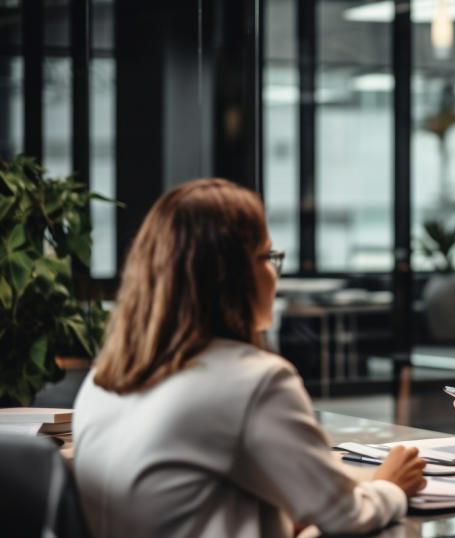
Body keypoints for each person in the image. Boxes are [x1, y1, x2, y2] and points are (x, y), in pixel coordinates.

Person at [73, 179, 426, 537]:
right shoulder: (253, 380)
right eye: (268, 256)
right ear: (233, 274)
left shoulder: (104, 380)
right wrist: (391, 486)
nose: (274, 273)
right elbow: (346, 515)